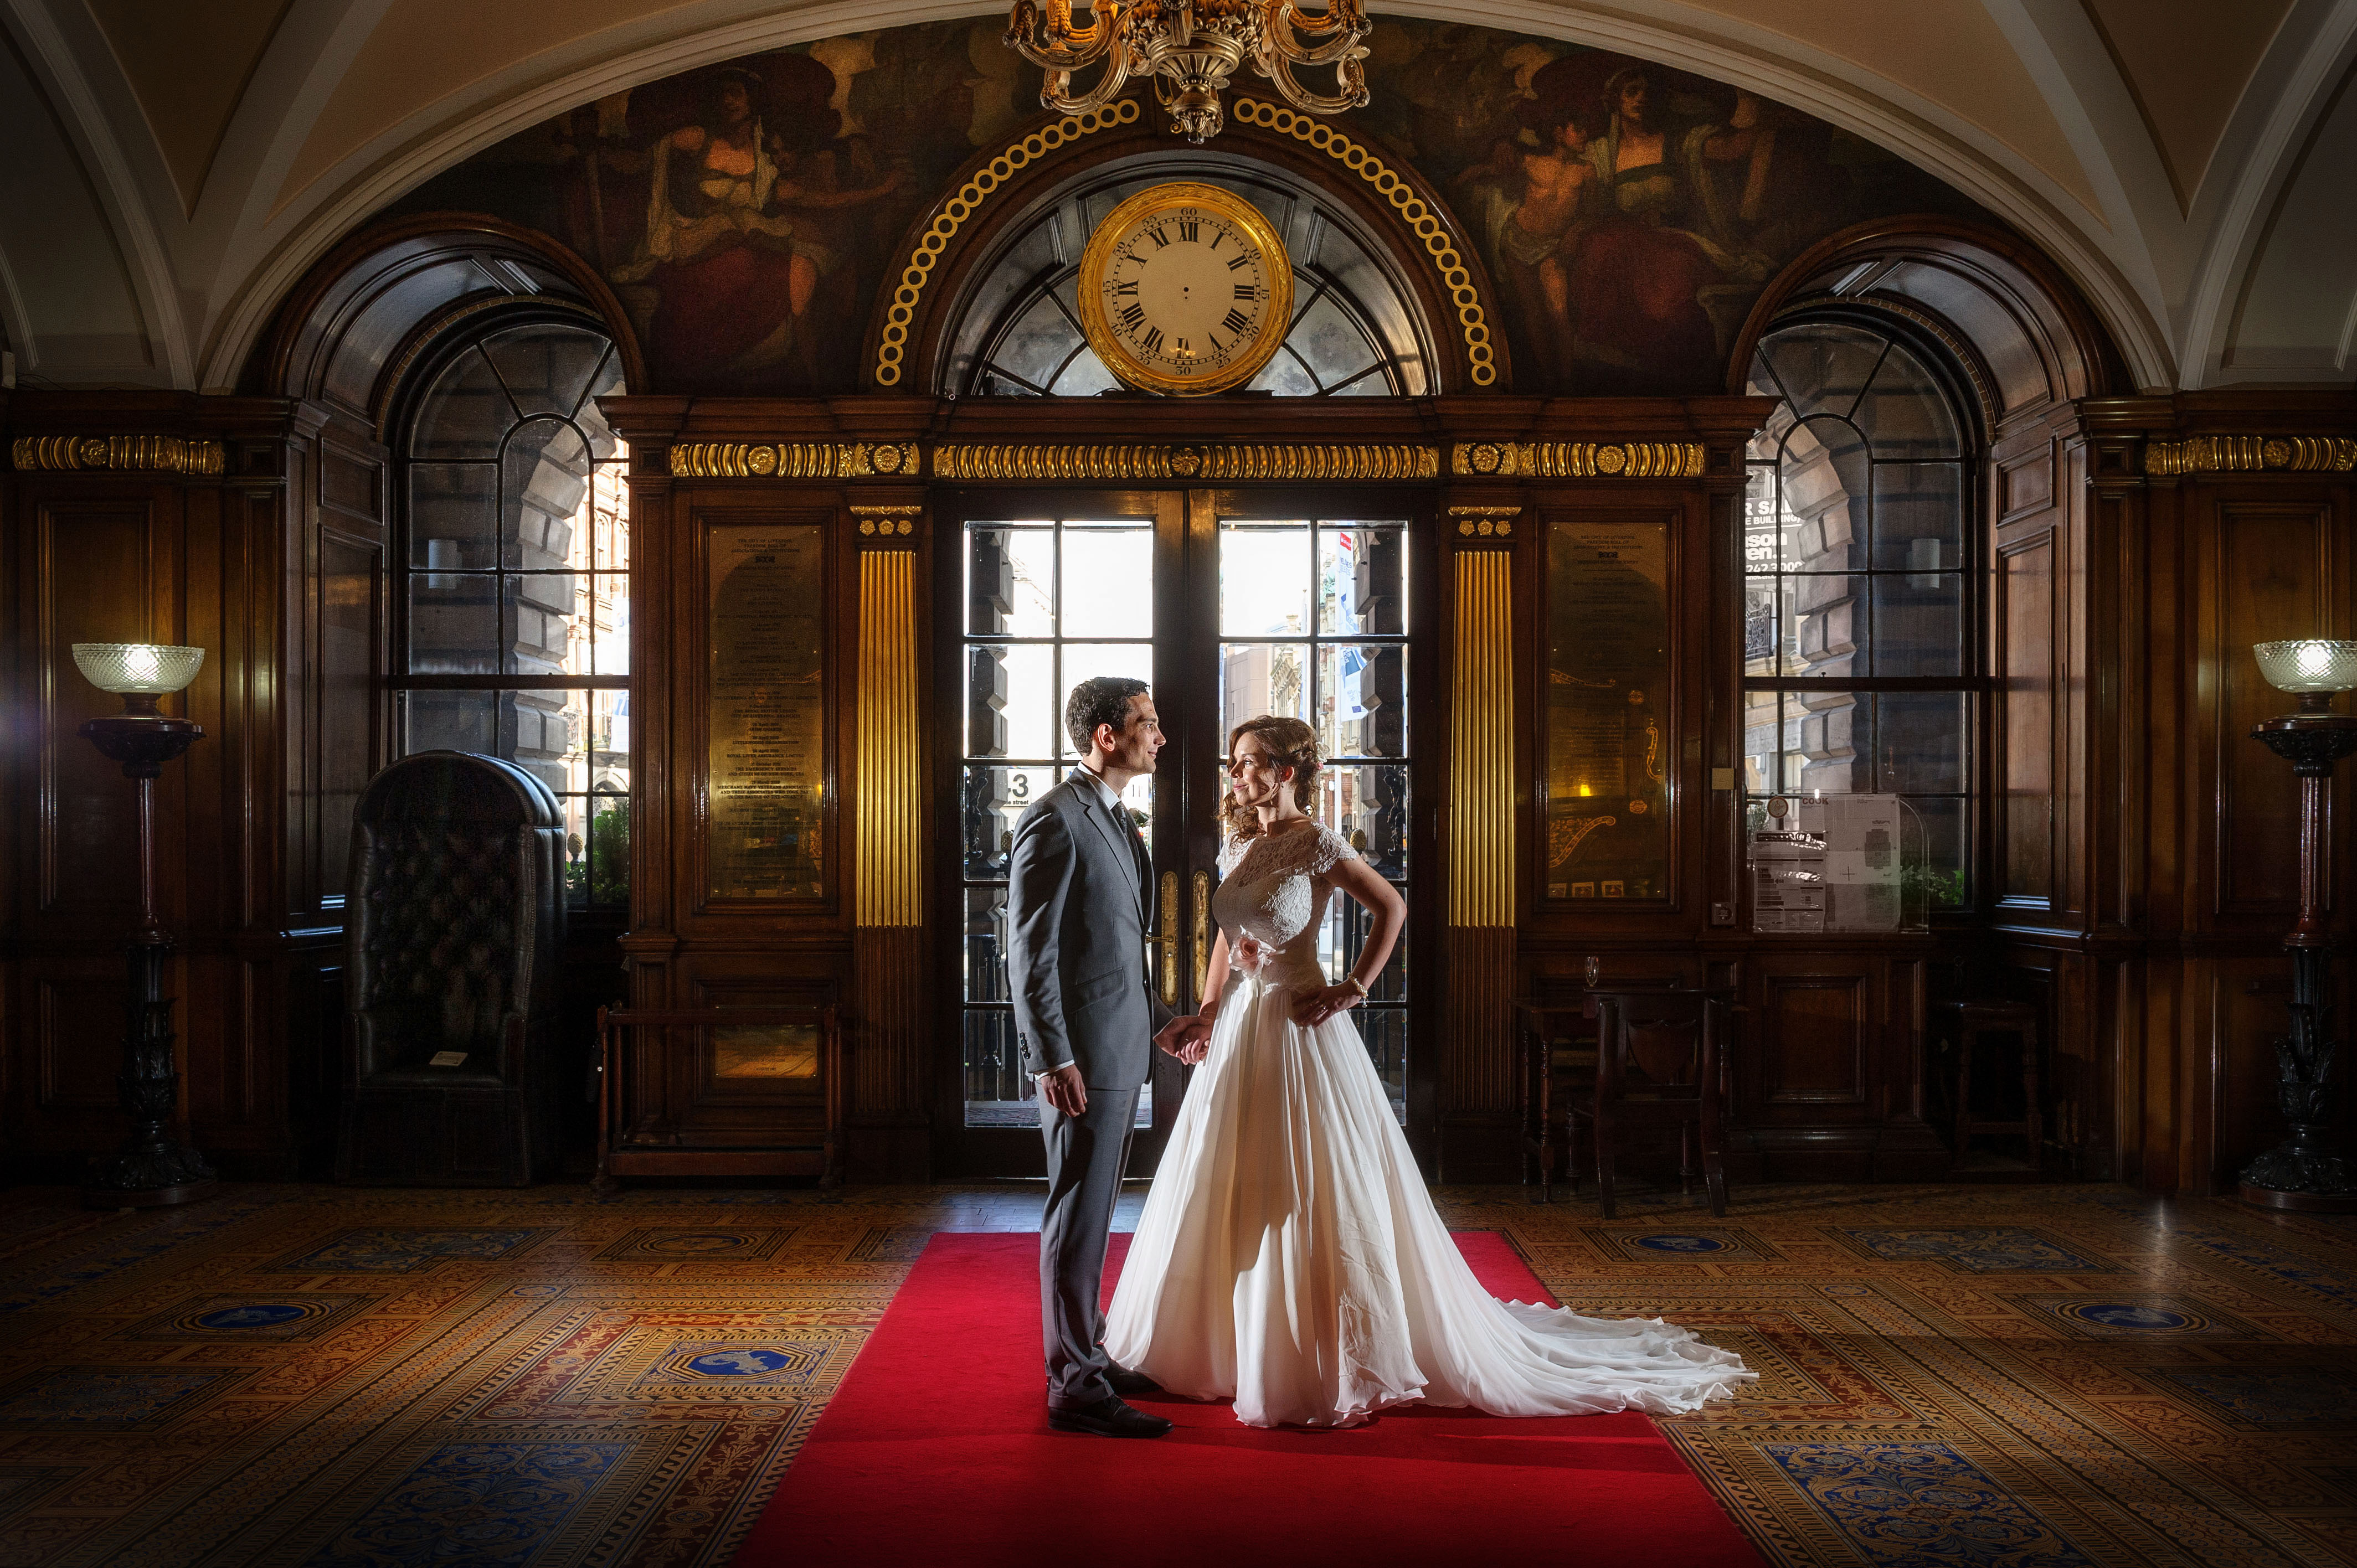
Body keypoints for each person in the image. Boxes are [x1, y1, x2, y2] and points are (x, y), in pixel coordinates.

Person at [1105, 715, 1753, 1428]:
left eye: (1252, 763)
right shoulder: (1242, 844)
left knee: (1306, 1183)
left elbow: (1392, 906)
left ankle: (1311, 1356)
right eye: (1235, 764)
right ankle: (1215, 1347)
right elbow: (1228, 940)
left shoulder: (1316, 843)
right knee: (1224, 1180)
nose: (1239, 776)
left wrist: (1352, 988)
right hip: (1239, 1034)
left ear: (1288, 772)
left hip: (1298, 1029)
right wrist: (1205, 1008)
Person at [1007, 676, 1198, 1439]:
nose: (1160, 737)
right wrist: (1052, 1059)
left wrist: (1159, 1024)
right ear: (1106, 737)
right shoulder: (1054, 819)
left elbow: (1111, 953)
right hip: (1080, 1059)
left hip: (1119, 1045)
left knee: (1094, 1214)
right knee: (1077, 1217)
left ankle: (1084, 1356)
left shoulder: (1116, 819)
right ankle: (1076, 1388)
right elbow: (1032, 954)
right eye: (1148, 725)